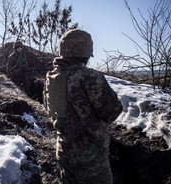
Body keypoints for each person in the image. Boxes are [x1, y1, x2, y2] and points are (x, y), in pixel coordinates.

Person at [43, 29, 122, 184]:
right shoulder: (90, 77)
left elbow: (51, 109)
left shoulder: (51, 77)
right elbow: (112, 112)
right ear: (86, 52)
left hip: (64, 151)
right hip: (91, 161)